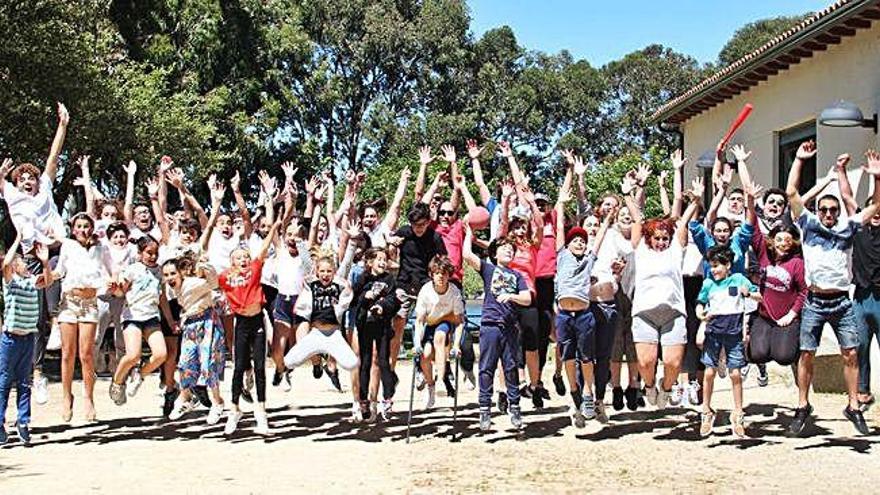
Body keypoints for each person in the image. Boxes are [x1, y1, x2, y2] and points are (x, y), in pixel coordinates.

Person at [785, 141, 880, 436]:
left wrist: (877, 177)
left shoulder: (848, 227)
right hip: (814, 300)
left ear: (838, 212)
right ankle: (802, 406)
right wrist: (799, 160)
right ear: (818, 211)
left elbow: (876, 206)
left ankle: (853, 407)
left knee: (851, 353)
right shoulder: (808, 224)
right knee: (807, 354)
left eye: (832, 209)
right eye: (824, 209)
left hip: (841, 302)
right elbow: (791, 193)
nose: (827, 213)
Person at [624, 173, 700, 409]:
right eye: (657, 238)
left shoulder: (676, 250)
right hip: (645, 312)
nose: (661, 242)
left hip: (673, 312)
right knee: (645, 362)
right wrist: (628, 193)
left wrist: (696, 200)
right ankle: (649, 386)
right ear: (649, 238)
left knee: (673, 362)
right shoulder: (641, 250)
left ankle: (666, 388)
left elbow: (683, 222)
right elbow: (637, 218)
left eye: (665, 238)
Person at [166, 180, 228, 425]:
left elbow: (208, 225)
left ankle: (217, 403)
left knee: (208, 360)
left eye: (192, 234)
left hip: (208, 318)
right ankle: (186, 398)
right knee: (185, 362)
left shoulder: (201, 264)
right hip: (189, 320)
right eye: (184, 233)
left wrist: (215, 203)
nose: (188, 237)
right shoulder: (175, 266)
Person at [553, 176, 611, 427]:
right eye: (575, 239)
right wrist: (562, 204)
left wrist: (608, 218)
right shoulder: (562, 256)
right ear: (568, 243)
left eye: (582, 240)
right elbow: (558, 230)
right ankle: (575, 393)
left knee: (587, 357)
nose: (579, 242)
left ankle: (588, 393)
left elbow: (597, 239)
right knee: (568, 357)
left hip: (584, 315)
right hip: (565, 315)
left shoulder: (589, 260)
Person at [217, 204, 279, 435]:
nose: (243, 260)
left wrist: (273, 229)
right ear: (232, 261)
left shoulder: (254, 268)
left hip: (257, 322)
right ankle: (234, 410)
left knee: (261, 367)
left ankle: (261, 413)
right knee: (239, 367)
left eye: (245, 256)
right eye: (238, 257)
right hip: (240, 323)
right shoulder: (225, 277)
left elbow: (263, 248)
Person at [462, 223, 531, 431]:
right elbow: (467, 255)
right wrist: (468, 234)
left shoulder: (517, 276)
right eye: (504, 248)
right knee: (486, 368)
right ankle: (484, 409)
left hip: (510, 327)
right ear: (494, 253)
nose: (508, 250)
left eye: (511, 249)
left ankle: (515, 408)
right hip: (490, 325)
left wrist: (511, 296)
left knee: (511, 369)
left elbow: (527, 299)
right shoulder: (489, 269)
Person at [696, 246, 762, 438]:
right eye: (711, 266)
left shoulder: (739, 280)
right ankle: (706, 411)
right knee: (709, 372)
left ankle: (738, 413)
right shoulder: (708, 284)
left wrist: (748, 293)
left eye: (717, 266)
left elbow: (759, 296)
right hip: (713, 333)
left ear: (728, 265)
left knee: (735, 374)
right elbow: (700, 303)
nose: (714, 270)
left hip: (733, 334)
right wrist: (701, 314)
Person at [54, 211, 110, 422]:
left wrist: (100, 290)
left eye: (86, 226)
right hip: (69, 302)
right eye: (79, 226)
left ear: (92, 228)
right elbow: (59, 271)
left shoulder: (100, 249)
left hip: (89, 304)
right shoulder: (67, 246)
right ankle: (67, 396)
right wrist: (47, 275)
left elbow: (110, 275)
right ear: (73, 228)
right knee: (67, 353)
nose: (83, 230)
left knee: (86, 354)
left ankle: (89, 397)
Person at [0, 237, 52, 446]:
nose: (25, 264)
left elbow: (47, 281)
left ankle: (23, 422)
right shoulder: (11, 283)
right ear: (15, 267)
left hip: (27, 339)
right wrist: (18, 239)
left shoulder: (32, 282)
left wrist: (46, 262)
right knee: (4, 382)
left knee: (24, 382)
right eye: (21, 262)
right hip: (10, 340)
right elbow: (5, 264)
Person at [108, 236, 169, 405]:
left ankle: (139, 375)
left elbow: (162, 298)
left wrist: (170, 321)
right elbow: (121, 294)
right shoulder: (132, 270)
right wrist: (116, 290)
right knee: (133, 355)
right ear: (140, 253)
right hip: (133, 316)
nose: (153, 256)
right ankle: (117, 382)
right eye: (149, 253)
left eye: (155, 253)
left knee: (160, 354)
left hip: (151, 316)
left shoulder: (160, 271)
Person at [352, 247, 400, 421]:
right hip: (365, 326)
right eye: (378, 259)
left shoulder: (389, 280)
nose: (382, 262)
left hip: (383, 326)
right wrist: (366, 297)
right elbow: (355, 300)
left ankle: (387, 399)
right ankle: (363, 401)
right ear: (370, 262)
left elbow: (394, 301)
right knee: (364, 363)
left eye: (384, 259)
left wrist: (382, 307)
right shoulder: (362, 279)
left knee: (382, 362)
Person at [412, 255, 465, 410]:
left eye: (444, 273)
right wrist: (416, 343)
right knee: (426, 355)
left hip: (445, 324)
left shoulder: (454, 291)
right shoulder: (426, 291)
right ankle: (431, 386)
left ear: (449, 275)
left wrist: (456, 345)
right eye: (437, 273)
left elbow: (460, 321)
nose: (440, 277)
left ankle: (441, 378)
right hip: (429, 324)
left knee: (440, 337)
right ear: (432, 275)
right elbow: (419, 321)